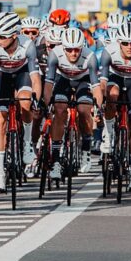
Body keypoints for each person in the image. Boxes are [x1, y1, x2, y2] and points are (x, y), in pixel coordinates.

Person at [0, 12, 42, 193]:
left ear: (14, 35)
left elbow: (36, 79)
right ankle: (0, 177)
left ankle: (26, 143)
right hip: (1, 76)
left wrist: (36, 101)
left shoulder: (28, 45)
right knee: (0, 121)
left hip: (22, 74)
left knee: (25, 102)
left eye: (2, 36)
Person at [98, 22, 131, 192]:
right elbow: (103, 82)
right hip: (116, 78)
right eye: (125, 43)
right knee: (111, 94)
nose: (130, 47)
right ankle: (108, 133)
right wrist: (102, 102)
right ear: (119, 42)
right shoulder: (109, 51)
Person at [42, 28, 103, 177]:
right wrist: (46, 104)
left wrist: (98, 108)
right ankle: (56, 161)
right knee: (60, 109)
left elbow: (96, 87)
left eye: (77, 49)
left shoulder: (90, 56)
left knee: (83, 110)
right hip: (62, 79)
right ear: (63, 47)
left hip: (83, 80)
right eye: (69, 50)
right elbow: (49, 83)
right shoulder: (55, 54)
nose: (73, 53)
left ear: (82, 47)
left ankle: (85, 151)